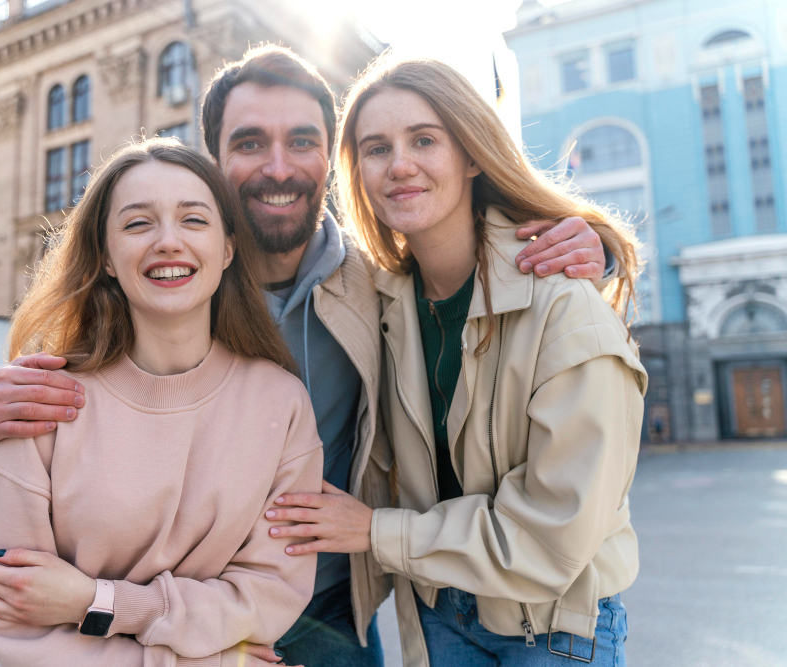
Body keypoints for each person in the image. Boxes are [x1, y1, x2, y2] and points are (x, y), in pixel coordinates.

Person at [0, 46, 618, 667]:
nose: (277, 166)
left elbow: (471, 271)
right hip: (135, 617)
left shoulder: (376, 286)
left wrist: (594, 249)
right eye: (249, 143)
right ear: (213, 155)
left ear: (329, 159)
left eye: (301, 141)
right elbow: (60, 380)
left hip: (323, 610)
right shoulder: (163, 275)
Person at [264, 55, 648, 667]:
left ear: (472, 153)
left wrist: (372, 530)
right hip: (436, 619)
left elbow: (553, 536)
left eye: (424, 139)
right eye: (376, 148)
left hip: (551, 629)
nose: (400, 165)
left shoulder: (561, 305)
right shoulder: (376, 299)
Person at [0, 138, 323, 667]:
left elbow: (268, 598)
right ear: (105, 257)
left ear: (227, 249)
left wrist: (98, 601)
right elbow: (3, 610)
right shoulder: (48, 399)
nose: (168, 242)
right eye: (137, 224)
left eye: (194, 220)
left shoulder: (281, 405)